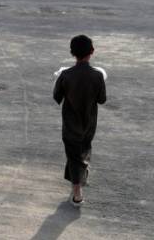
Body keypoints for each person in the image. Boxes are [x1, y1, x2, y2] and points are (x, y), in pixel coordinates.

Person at [53, 35, 106, 207]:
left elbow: (56, 97)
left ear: (72, 53)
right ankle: (80, 176)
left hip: (70, 124)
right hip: (89, 124)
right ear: (92, 52)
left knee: (73, 154)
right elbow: (102, 99)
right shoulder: (97, 76)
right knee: (81, 151)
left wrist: (59, 78)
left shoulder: (66, 75)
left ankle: (77, 192)